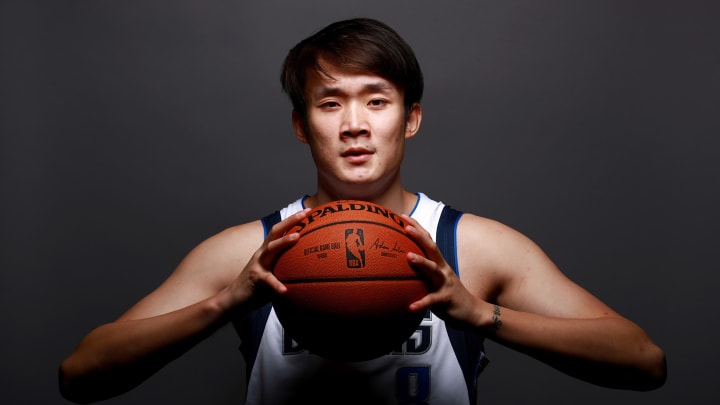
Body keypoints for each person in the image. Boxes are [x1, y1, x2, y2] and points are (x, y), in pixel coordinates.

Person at [59, 18, 666, 404]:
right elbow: (80, 375)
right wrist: (224, 303)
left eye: (376, 101)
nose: (354, 125)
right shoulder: (249, 251)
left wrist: (481, 314)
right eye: (330, 103)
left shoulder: (472, 247)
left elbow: (644, 362)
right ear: (302, 125)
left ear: (411, 118)